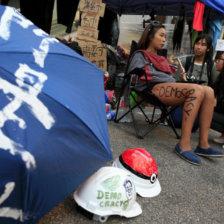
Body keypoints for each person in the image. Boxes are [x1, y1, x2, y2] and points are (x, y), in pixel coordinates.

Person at [127, 21, 224, 165]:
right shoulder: (140, 55)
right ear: (150, 36)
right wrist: (169, 78)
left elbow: (172, 77)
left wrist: (174, 78)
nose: (164, 39)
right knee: (196, 89)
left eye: (165, 36)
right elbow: (135, 75)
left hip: (166, 86)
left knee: (209, 91)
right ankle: (183, 145)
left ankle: (203, 145)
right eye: (161, 35)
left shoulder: (161, 59)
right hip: (151, 88)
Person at [211, 51, 224, 144]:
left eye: (220, 59)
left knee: (204, 113)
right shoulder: (221, 78)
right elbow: (211, 91)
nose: (217, 61)